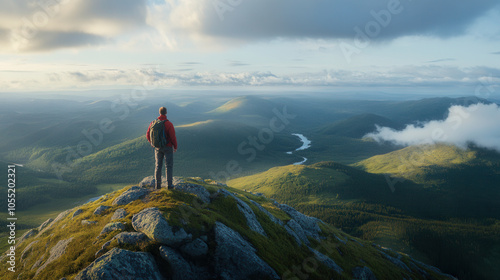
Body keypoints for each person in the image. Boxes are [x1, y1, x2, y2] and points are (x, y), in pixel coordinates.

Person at [146, 107, 178, 189]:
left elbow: (148, 135)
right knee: (168, 166)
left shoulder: (153, 123)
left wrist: (152, 143)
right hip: (168, 147)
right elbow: (173, 137)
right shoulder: (169, 124)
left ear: (159, 113)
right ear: (166, 113)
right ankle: (169, 185)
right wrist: (175, 146)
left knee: (158, 166)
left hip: (157, 148)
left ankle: (158, 185)